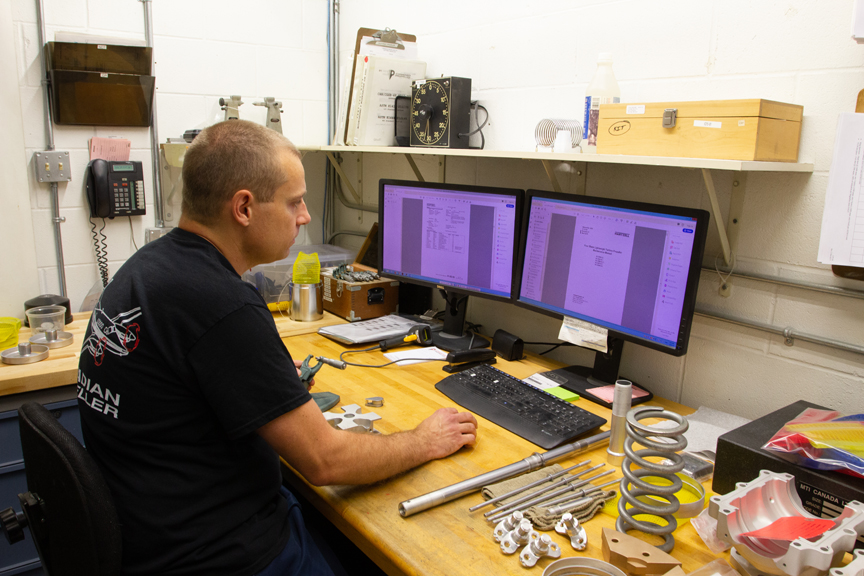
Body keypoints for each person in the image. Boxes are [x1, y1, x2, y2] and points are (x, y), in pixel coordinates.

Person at [77, 119, 479, 576]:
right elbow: (326, 461)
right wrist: (423, 441)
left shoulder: (146, 268)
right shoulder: (222, 304)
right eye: (294, 201)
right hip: (222, 556)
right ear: (244, 208)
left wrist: (261, 376)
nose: (304, 215)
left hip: (155, 531)